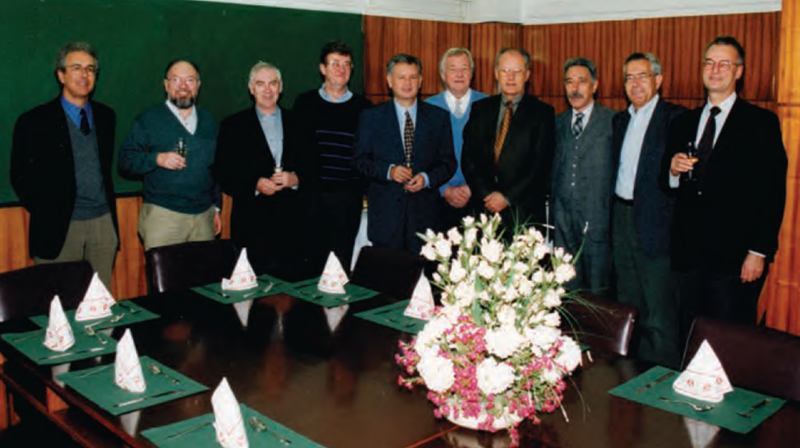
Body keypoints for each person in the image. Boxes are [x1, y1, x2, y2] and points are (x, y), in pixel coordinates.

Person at [665, 36, 787, 338]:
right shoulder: (683, 121)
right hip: (689, 258)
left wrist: (758, 252)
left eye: (724, 64)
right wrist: (672, 171)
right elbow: (666, 184)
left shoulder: (761, 123)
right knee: (689, 339)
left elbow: (772, 192)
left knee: (729, 346)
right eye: (709, 62)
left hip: (733, 261)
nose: (715, 70)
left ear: (739, 71)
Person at [11, 42, 118, 289]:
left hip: (102, 226)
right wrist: (48, 210)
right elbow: (20, 176)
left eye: (91, 69)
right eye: (77, 68)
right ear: (61, 75)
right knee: (56, 306)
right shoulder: (34, 121)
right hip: (58, 228)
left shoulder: (106, 116)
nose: (84, 75)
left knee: (99, 307)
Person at [611, 52, 685, 367]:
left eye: (642, 76)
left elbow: (679, 176)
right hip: (621, 218)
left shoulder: (676, 118)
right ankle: (630, 377)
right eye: (629, 77)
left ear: (659, 80)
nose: (635, 83)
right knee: (628, 305)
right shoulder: (620, 119)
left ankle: (660, 383)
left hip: (657, 225)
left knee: (659, 310)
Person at [353, 54, 456, 255]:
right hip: (385, 218)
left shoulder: (438, 117)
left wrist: (426, 178)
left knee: (422, 281)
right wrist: (389, 171)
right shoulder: (371, 117)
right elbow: (359, 160)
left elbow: (448, 163)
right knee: (386, 282)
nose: (408, 83)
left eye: (413, 77)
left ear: (421, 81)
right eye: (402, 77)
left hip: (426, 219)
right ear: (389, 81)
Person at [118, 59, 221, 250]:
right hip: (163, 216)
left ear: (198, 85)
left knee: (204, 279)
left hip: (204, 216)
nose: (183, 86)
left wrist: (216, 208)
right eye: (176, 80)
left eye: (190, 80)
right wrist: (157, 158)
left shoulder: (209, 120)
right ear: (166, 85)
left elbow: (216, 168)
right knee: (165, 279)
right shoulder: (148, 119)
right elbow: (125, 161)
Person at [215, 62, 305, 277]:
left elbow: (315, 167)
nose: (267, 90)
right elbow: (222, 171)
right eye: (260, 84)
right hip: (252, 226)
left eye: (273, 83)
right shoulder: (233, 125)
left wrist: (295, 179)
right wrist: (254, 184)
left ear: (281, 87)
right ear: (251, 88)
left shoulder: (300, 122)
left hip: (294, 225)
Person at [293, 41, 372, 273]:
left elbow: (367, 154)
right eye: (335, 63)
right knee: (310, 265)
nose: (341, 69)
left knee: (340, 267)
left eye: (346, 64)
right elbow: (297, 150)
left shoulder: (364, 107)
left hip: (347, 200)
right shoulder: (304, 103)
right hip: (312, 198)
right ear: (322, 68)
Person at [461, 47, 555, 229]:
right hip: (483, 209)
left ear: (527, 75)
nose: (510, 77)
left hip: (522, 212)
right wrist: (486, 194)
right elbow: (468, 159)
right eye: (505, 71)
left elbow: (540, 167)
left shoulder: (542, 113)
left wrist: (506, 197)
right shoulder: (480, 109)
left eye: (517, 71)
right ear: (496, 74)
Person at [552, 57, 615, 296]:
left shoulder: (612, 121)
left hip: (598, 225)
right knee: (565, 294)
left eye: (581, 82)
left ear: (595, 85)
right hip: (563, 225)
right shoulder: (557, 123)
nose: (575, 88)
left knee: (599, 296)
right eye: (569, 82)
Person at [425, 47, 487, 231]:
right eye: (453, 69)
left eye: (464, 68)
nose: (459, 74)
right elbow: (422, 157)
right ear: (443, 75)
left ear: (472, 73)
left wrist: (472, 188)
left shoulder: (488, 106)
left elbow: (495, 158)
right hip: (437, 199)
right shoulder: (427, 108)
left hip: (478, 199)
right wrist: (444, 190)